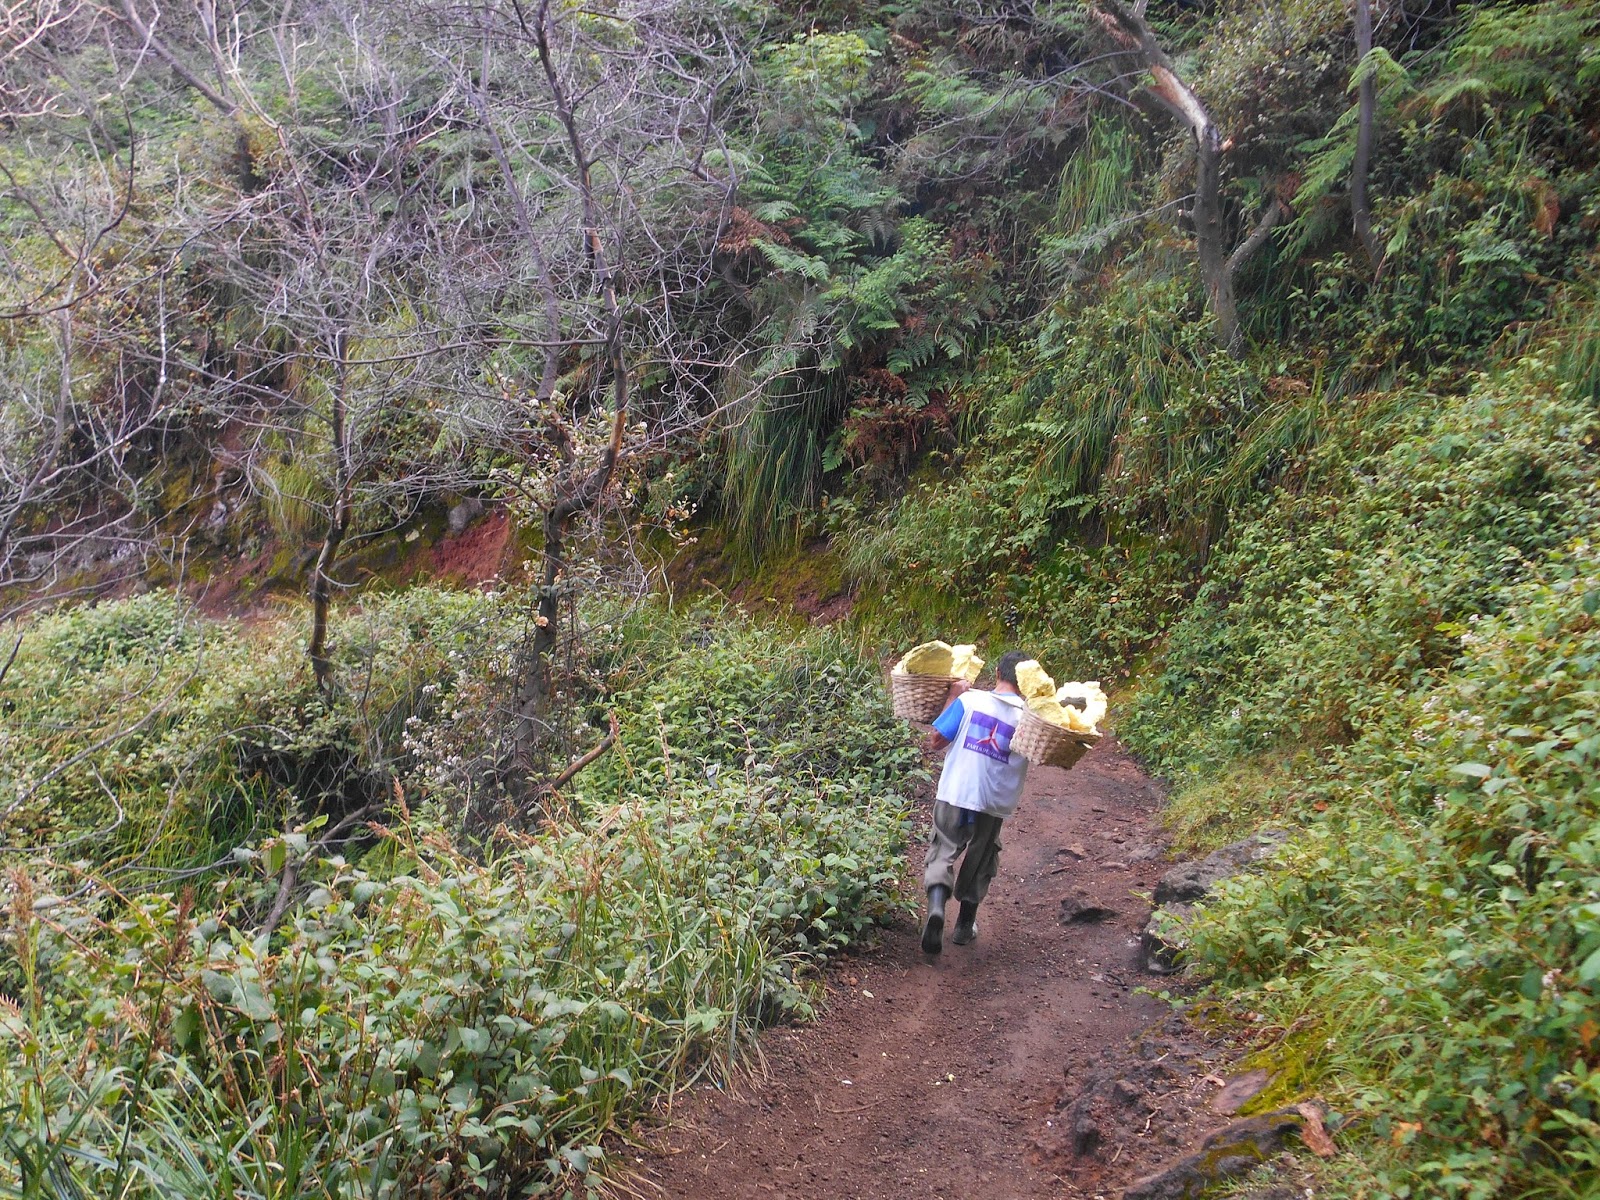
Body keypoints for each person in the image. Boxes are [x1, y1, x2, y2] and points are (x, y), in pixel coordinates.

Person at [919, 650, 1032, 955]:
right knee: (983, 857)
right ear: (1027, 683)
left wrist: (953, 696)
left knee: (943, 847)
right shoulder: (1030, 719)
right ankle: (964, 926)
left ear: (997, 673)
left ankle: (937, 909)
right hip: (994, 800)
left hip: (957, 789)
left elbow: (936, 739)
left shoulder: (970, 701)